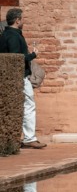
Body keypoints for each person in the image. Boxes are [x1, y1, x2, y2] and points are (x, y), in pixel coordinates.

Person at [0, 8, 43, 148]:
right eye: (22, 18)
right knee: (29, 105)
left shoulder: (9, 34)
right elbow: (16, 57)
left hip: (16, 76)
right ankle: (29, 138)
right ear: (17, 20)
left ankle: (25, 137)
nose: (23, 21)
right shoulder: (13, 36)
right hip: (19, 77)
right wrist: (33, 55)